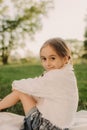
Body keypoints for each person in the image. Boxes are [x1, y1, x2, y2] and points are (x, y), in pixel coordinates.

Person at [0, 37, 78, 130]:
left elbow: (31, 85)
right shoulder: (67, 74)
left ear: (65, 59)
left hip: (46, 127)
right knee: (28, 92)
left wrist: (16, 85)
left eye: (52, 58)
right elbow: (37, 86)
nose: (47, 63)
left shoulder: (56, 77)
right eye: (44, 59)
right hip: (62, 127)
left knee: (21, 91)